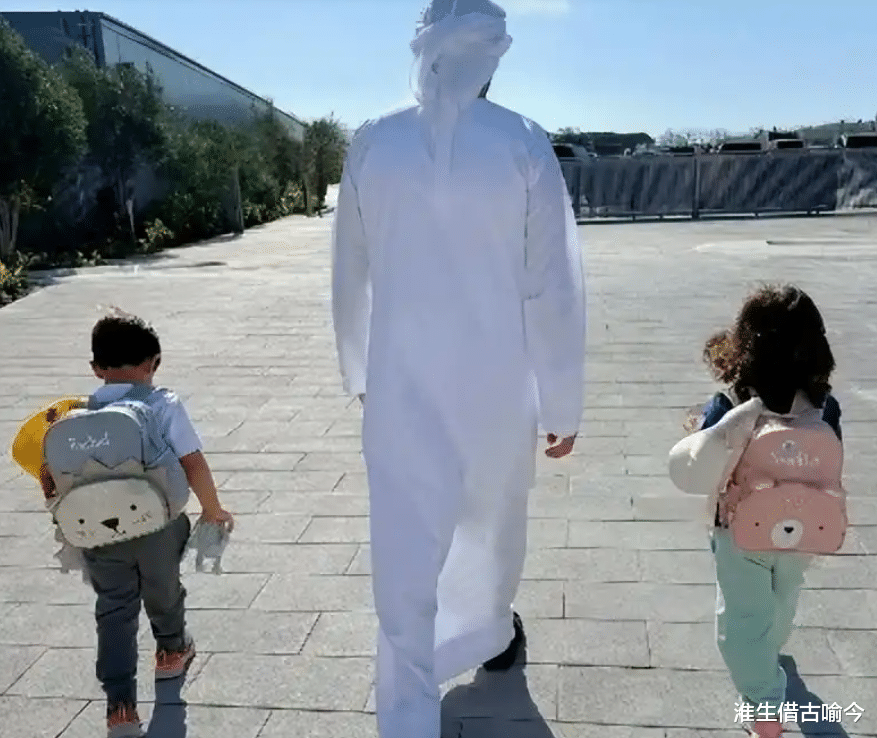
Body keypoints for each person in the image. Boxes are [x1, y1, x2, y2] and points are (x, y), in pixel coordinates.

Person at [331, 1, 586, 737]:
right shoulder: (522, 141)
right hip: (498, 389)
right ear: (492, 56)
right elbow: (552, 286)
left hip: (400, 387)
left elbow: (349, 272)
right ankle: (483, 636)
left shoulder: (373, 142)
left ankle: (407, 710)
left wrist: (360, 372)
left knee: (403, 546)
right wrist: (560, 402)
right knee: (492, 525)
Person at [38, 313, 234, 738]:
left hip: (99, 534)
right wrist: (213, 509)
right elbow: (192, 462)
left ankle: (120, 707)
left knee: (114, 609)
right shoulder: (163, 404)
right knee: (164, 589)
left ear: (96, 369)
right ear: (154, 363)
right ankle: (171, 651)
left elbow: (53, 480)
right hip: (158, 524)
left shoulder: (78, 414)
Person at [669, 285, 840, 738]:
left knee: (742, 620)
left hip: (739, 532)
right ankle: (771, 656)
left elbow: (701, 467)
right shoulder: (826, 406)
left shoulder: (731, 404)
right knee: (784, 598)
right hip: (802, 527)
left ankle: (764, 708)